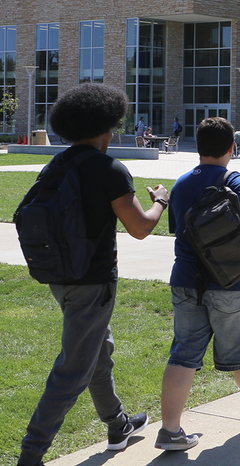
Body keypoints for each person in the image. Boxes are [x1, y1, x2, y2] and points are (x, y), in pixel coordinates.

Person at [16, 84, 169, 466]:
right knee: (73, 370)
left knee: (98, 351)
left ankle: (117, 426)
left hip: (59, 275)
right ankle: (30, 454)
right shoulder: (109, 168)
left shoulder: (59, 163)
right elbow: (139, 227)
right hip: (92, 280)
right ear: (107, 125)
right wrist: (161, 202)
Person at [156, 117, 240, 451]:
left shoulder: (182, 184)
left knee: (183, 352)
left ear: (197, 146)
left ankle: (170, 430)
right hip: (231, 281)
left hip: (185, 280)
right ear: (231, 147)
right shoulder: (232, 178)